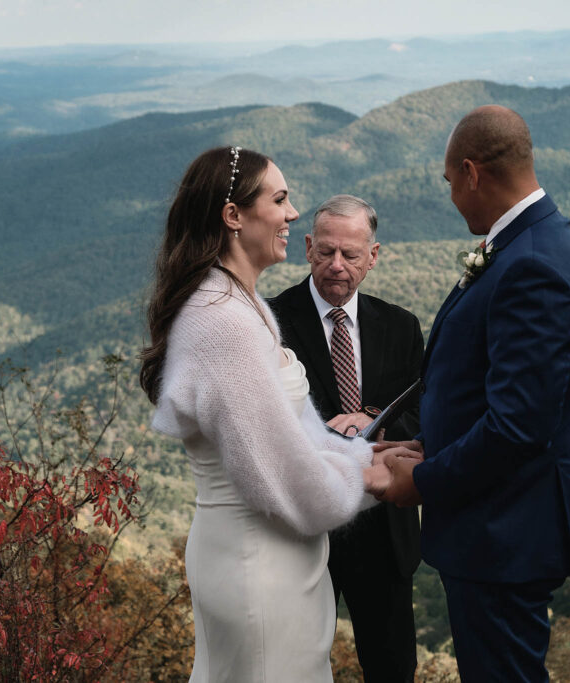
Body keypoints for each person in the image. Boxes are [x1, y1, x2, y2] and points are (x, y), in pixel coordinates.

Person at [139, 146, 391, 682]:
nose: (293, 212)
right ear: (234, 216)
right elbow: (280, 475)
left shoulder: (241, 303)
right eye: (279, 199)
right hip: (257, 565)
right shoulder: (225, 323)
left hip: (275, 557)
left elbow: (294, 433)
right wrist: (377, 479)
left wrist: (369, 451)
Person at [372, 106, 570, 681]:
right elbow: (484, 389)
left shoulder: (533, 265)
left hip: (506, 530)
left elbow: (519, 426)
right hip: (494, 518)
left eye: (450, 182)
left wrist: (421, 482)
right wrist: (430, 445)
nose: (451, 196)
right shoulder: (528, 241)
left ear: (472, 172)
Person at [267, 194, 423, 682]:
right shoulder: (269, 321)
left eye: (350, 255)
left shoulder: (401, 326)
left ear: (373, 256)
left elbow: (423, 413)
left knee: (393, 666)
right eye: (326, 251)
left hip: (384, 530)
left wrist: (370, 418)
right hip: (305, 529)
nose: (336, 265)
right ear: (308, 247)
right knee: (296, 663)